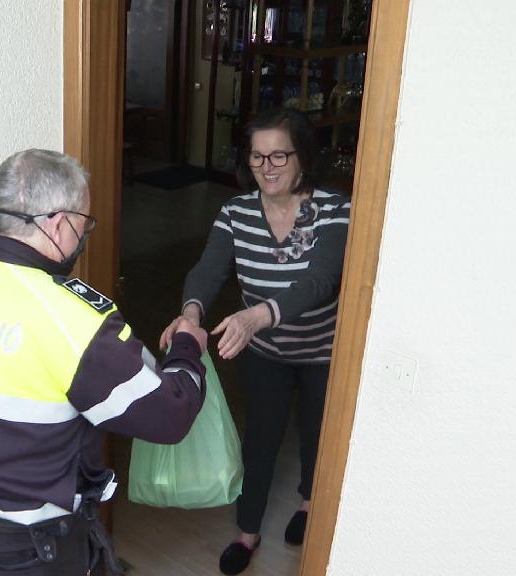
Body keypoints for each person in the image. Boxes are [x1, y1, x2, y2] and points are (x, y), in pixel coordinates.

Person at [0, 148, 210, 575]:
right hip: (21, 545)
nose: (83, 237)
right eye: (84, 224)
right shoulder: (73, 319)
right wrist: (186, 347)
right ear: (58, 222)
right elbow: (169, 415)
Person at [158, 108, 351, 575]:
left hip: (324, 353)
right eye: (258, 156)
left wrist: (257, 315)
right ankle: (247, 532)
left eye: (280, 155)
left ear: (302, 157)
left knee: (317, 437)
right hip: (265, 355)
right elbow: (209, 270)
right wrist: (191, 315)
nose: (268, 167)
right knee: (260, 440)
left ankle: (308, 505)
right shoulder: (236, 212)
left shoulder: (335, 209)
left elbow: (322, 280)